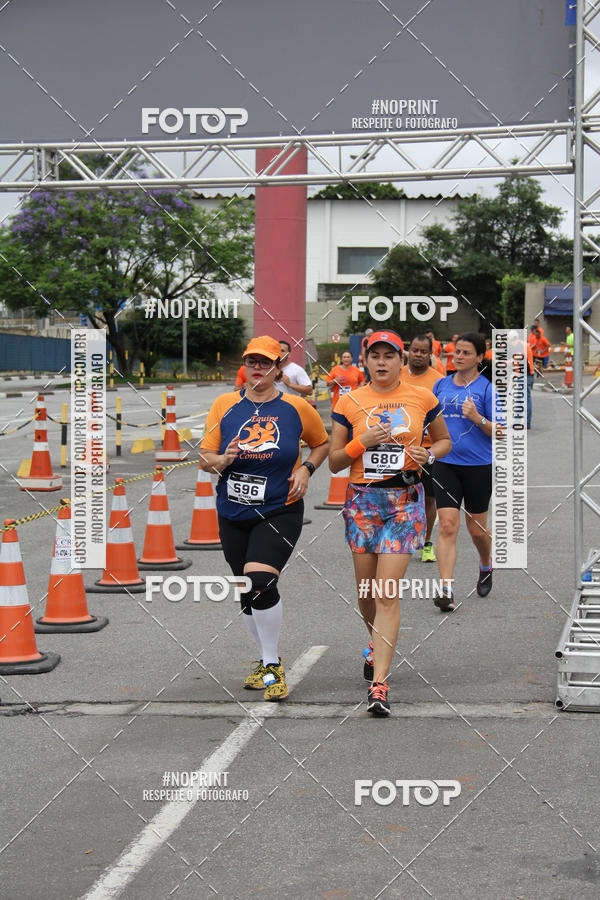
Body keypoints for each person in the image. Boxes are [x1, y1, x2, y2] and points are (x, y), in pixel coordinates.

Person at [329, 330, 451, 716]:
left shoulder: (423, 397)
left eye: (390, 356)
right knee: (366, 593)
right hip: (362, 501)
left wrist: (427, 454)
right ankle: (375, 642)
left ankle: (379, 683)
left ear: (402, 361)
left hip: (405, 501)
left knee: (386, 593)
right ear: (364, 360)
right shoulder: (349, 400)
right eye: (375, 356)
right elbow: (333, 461)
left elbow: (444, 441)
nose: (382, 362)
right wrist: (361, 441)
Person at [200, 336, 329, 701]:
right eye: (252, 362)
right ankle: (264, 660)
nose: (258, 368)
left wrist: (305, 469)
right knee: (245, 589)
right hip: (232, 509)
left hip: (279, 507)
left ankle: (272, 665)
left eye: (266, 363)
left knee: (259, 580)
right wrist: (223, 460)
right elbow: (204, 458)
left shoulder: (296, 408)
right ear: (245, 366)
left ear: (278, 368)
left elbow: (321, 443)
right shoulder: (225, 406)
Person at [431, 332, 502, 612]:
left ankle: (486, 564)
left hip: (478, 467)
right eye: (456, 351)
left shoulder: (487, 389)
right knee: (448, 524)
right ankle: (446, 590)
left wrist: (478, 418)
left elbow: (502, 431)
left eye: (465, 353)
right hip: (446, 463)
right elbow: (429, 421)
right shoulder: (440, 385)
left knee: (477, 529)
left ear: (479, 358)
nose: (458, 356)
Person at [400, 335, 444, 562]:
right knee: (401, 495)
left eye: (423, 351)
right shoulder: (396, 374)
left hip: (426, 450)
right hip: (399, 448)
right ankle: (402, 538)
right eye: (414, 350)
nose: (418, 354)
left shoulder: (438, 380)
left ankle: (427, 542)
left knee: (429, 498)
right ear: (409, 351)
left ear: (430, 354)